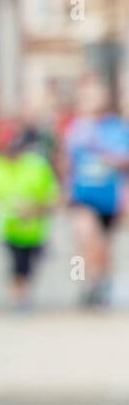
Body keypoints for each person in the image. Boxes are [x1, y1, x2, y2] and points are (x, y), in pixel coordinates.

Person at [61, 75, 127, 308]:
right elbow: (67, 162)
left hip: (108, 197)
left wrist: (105, 153)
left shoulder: (117, 128)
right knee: (84, 237)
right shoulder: (76, 128)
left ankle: (102, 282)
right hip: (82, 195)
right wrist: (64, 188)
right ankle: (81, 281)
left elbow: (124, 160)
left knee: (103, 246)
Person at [0, 121, 60, 311]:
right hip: (9, 228)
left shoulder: (36, 165)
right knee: (16, 265)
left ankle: (22, 295)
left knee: (29, 266)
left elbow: (52, 198)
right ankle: (19, 298)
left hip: (35, 229)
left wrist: (33, 209)